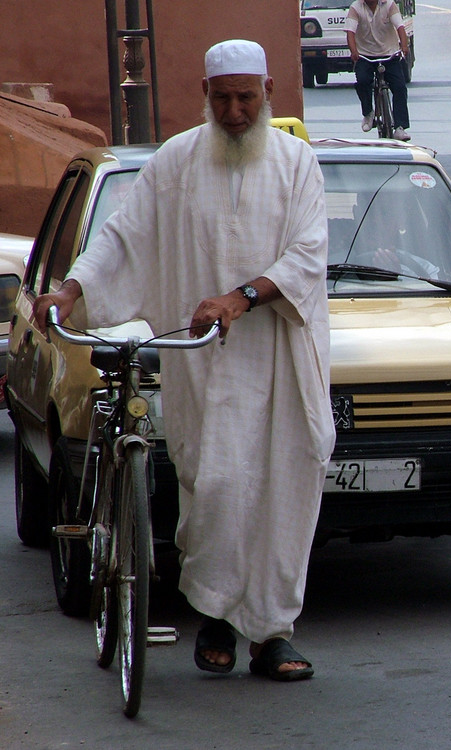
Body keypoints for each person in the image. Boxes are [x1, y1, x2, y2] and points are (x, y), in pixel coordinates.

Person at [31, 40, 336, 682]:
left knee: (283, 488)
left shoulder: (296, 163)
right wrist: (71, 290)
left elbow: (309, 253)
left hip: (281, 356)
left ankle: (274, 634)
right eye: (221, 98)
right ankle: (218, 619)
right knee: (219, 487)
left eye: (245, 98)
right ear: (204, 92)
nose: (232, 112)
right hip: (205, 365)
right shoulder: (175, 162)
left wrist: (241, 296)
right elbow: (122, 237)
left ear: (268, 91)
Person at [345, 0, 411, 141]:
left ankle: (400, 127)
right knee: (363, 81)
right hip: (365, 55)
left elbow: (400, 27)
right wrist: (354, 52)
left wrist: (404, 46)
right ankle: (368, 113)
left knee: (399, 87)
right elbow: (350, 33)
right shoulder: (356, 8)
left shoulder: (389, 5)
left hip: (389, 54)